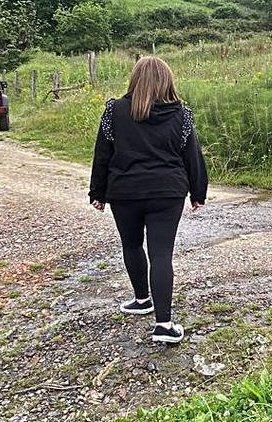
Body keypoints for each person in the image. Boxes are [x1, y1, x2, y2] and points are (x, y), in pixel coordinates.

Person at [89, 56, 208, 344]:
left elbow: (102, 154)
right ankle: (164, 325)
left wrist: (98, 192)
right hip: (167, 192)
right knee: (161, 254)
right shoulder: (181, 114)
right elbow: (191, 155)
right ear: (167, 81)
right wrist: (198, 191)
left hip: (124, 192)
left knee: (131, 245)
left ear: (135, 80)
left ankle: (143, 299)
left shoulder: (114, 111)